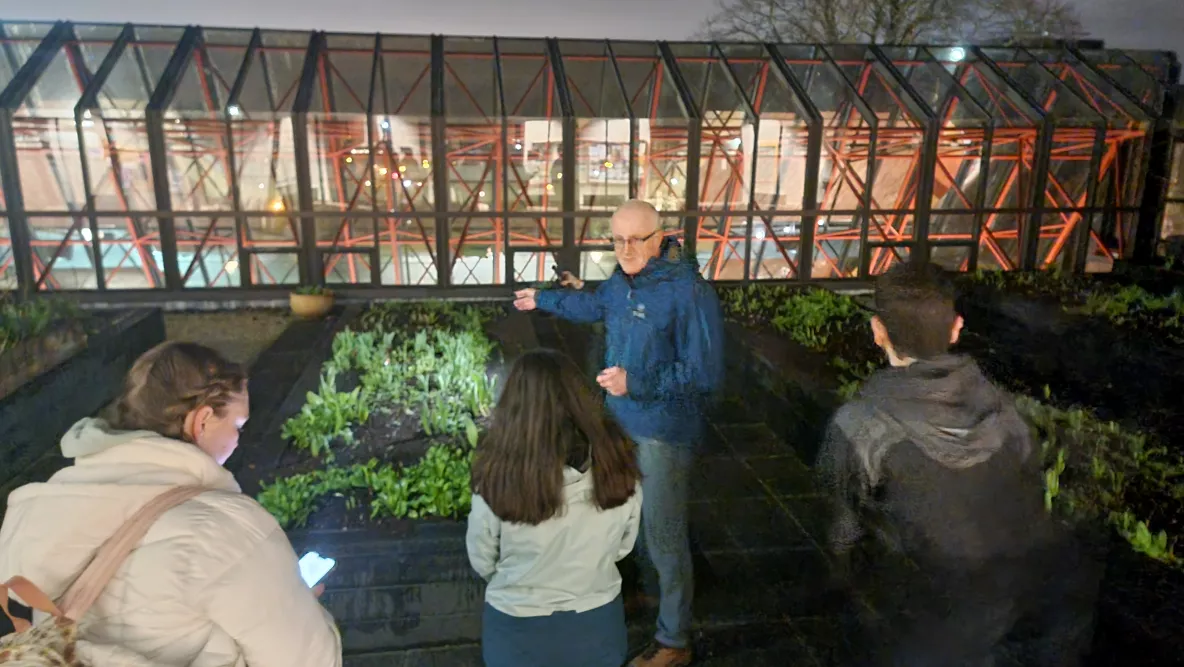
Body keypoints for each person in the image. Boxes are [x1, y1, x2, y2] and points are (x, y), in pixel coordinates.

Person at [816, 261, 1094, 666]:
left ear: (878, 332)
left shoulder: (858, 428)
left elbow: (841, 537)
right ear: (956, 327)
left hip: (912, 630)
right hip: (1002, 624)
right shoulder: (1008, 419)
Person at [0, 341, 342, 666]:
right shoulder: (223, 529)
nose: (239, 439)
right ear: (202, 420)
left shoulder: (38, 507)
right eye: (238, 425)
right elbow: (308, 660)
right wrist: (298, 607)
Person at [513, 200, 725, 667]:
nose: (626, 248)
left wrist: (637, 383)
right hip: (621, 426)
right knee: (632, 524)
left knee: (664, 535)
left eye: (636, 239)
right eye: (617, 240)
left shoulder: (689, 292)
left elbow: (704, 375)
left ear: (660, 237)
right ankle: (648, 597)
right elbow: (593, 304)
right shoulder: (623, 282)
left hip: (663, 435)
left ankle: (673, 641)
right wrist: (542, 299)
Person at [466, 349, 642, 667]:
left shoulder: (496, 477)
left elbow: (483, 560)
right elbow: (623, 547)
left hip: (516, 630)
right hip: (597, 626)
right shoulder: (617, 466)